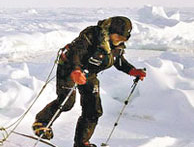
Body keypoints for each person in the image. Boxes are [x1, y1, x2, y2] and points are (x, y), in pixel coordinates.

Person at [33, 16, 146, 147]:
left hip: (89, 74)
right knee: (67, 102)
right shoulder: (92, 35)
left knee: (94, 110)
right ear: (110, 30)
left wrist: (132, 71)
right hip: (70, 67)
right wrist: (75, 70)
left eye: (123, 38)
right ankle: (42, 122)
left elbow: (119, 61)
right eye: (118, 36)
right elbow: (76, 52)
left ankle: (82, 143)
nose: (119, 40)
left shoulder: (117, 47)